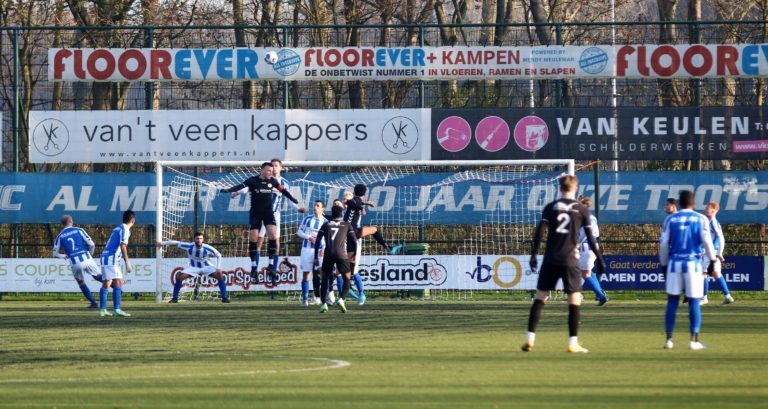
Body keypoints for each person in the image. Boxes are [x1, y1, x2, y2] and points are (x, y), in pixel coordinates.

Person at [522, 175, 605, 353]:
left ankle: (530, 339)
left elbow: (539, 233)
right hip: (570, 259)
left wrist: (533, 255)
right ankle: (572, 343)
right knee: (574, 300)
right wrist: (601, 258)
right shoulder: (582, 209)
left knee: (540, 298)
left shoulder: (550, 207)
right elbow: (590, 238)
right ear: (575, 189)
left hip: (551, 258)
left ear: (560, 189)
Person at [221, 161, 300, 285]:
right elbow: (242, 186)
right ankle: (253, 269)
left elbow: (283, 191)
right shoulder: (253, 181)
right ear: (262, 170)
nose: (271, 172)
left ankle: (271, 266)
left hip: (269, 213)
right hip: (256, 214)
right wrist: (229, 190)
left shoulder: (273, 181)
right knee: (254, 239)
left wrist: (293, 199)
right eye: (269, 170)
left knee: (274, 237)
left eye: (272, 170)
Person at [660, 190, 716, 350]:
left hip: (675, 264)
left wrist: (664, 265)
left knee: (672, 301)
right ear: (692, 202)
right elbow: (707, 242)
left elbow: (664, 245)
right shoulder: (701, 219)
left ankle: (669, 339)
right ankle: (694, 340)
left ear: (680, 202)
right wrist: (712, 261)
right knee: (693, 301)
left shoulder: (671, 219)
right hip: (693, 265)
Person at [343, 183, 394, 305]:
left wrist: (364, 205)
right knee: (375, 229)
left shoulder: (355, 202)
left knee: (349, 269)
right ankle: (387, 247)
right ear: (364, 193)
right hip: (353, 232)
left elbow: (352, 203)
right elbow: (352, 203)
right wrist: (363, 206)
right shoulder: (355, 201)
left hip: (346, 234)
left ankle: (346, 293)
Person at [255, 158, 306, 280]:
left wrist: (297, 208)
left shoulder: (284, 183)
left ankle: (272, 269)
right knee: (258, 243)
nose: (274, 167)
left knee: (275, 243)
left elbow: (289, 201)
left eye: (276, 165)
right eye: (272, 166)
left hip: (275, 216)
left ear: (281, 168)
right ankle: (255, 271)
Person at [156, 232, 230, 304]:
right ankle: (175, 298)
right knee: (179, 276)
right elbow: (176, 242)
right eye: (197, 238)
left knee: (220, 275)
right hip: (193, 267)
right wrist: (161, 243)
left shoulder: (207, 247)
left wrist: (218, 268)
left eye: (200, 238)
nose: (199, 240)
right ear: (194, 239)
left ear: (203, 239)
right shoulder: (189, 246)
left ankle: (224, 298)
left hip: (206, 267)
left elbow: (219, 255)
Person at [315, 205, 357, 313]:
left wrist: (316, 256)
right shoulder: (347, 225)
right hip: (341, 255)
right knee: (347, 278)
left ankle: (324, 304)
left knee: (324, 279)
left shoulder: (326, 225)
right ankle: (342, 299)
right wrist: (355, 253)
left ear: (332, 214)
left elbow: (317, 240)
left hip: (328, 255)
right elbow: (354, 240)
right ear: (342, 214)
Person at [53, 215, 100, 308]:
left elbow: (55, 254)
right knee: (98, 276)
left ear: (62, 224)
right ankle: (116, 289)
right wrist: (90, 254)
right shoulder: (79, 230)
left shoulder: (59, 236)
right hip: (86, 258)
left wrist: (63, 256)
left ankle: (94, 303)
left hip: (75, 262)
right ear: (71, 221)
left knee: (81, 282)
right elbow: (92, 244)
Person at [98, 210, 135, 317]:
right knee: (119, 282)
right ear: (133, 220)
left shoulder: (117, 228)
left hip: (105, 256)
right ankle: (116, 309)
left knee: (107, 282)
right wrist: (127, 262)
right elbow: (123, 246)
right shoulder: (125, 229)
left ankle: (103, 310)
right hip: (111, 258)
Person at [577, 195, 608, 306]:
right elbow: (596, 234)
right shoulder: (592, 217)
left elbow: (583, 234)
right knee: (589, 273)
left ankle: (601, 296)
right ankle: (601, 293)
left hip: (586, 247)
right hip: (594, 246)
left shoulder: (582, 217)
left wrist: (576, 242)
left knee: (585, 274)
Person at [701, 202, 734, 305]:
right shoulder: (708, 222)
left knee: (703, 273)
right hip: (711, 252)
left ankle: (704, 298)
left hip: (711, 253)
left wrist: (719, 253)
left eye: (708, 208)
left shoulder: (714, 222)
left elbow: (721, 238)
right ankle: (727, 296)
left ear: (714, 211)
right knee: (716, 274)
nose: (705, 209)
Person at [297, 200, 328, 306]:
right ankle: (304, 300)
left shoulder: (326, 221)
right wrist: (309, 237)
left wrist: (325, 248)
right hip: (307, 250)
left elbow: (328, 237)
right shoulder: (307, 219)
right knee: (306, 274)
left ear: (323, 209)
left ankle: (321, 297)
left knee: (321, 274)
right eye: (314, 205)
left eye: (318, 205)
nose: (315, 207)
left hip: (320, 251)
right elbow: (299, 232)